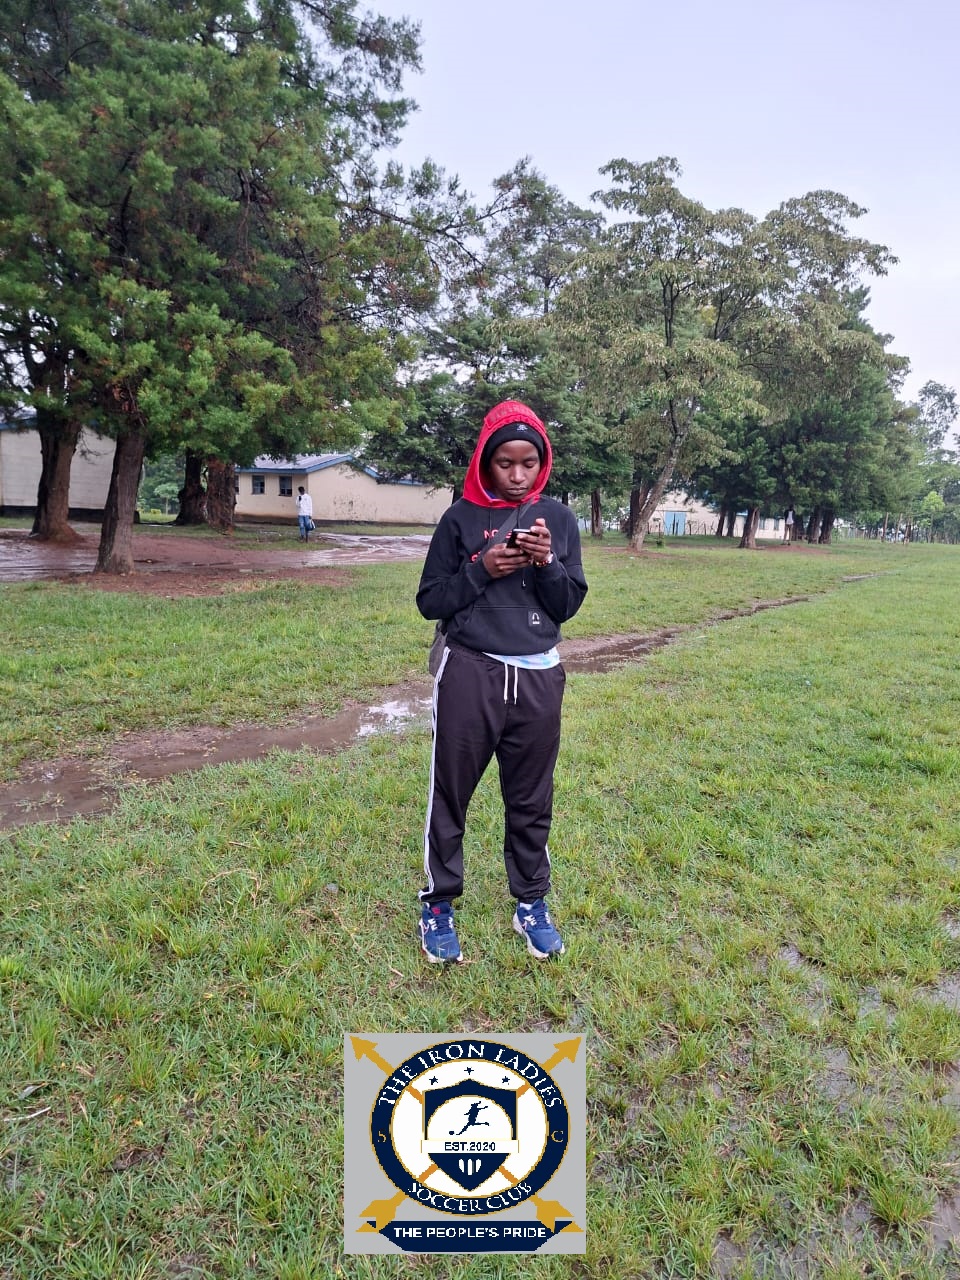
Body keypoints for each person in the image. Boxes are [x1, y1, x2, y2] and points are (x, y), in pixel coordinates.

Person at [416, 400, 588, 964]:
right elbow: (430, 600)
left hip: (538, 678)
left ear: (543, 462)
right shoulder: (460, 519)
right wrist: (482, 569)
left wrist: (547, 563)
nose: (517, 475)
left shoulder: (558, 519)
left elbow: (567, 604)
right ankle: (438, 903)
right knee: (451, 793)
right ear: (485, 463)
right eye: (505, 463)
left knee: (532, 797)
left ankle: (531, 903)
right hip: (470, 672)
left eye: (528, 463)